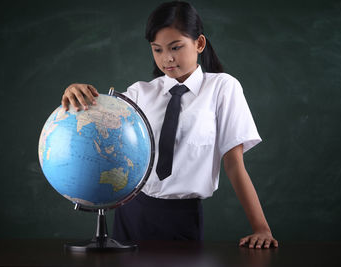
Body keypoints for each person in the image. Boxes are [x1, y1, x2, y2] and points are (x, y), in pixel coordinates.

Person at [61, 1, 278, 249]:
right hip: (131, 213)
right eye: (158, 50)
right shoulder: (140, 93)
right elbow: (98, 117)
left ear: (199, 43)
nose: (168, 58)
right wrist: (74, 91)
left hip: (182, 217)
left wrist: (262, 228)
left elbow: (234, 165)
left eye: (176, 47)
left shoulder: (222, 88)